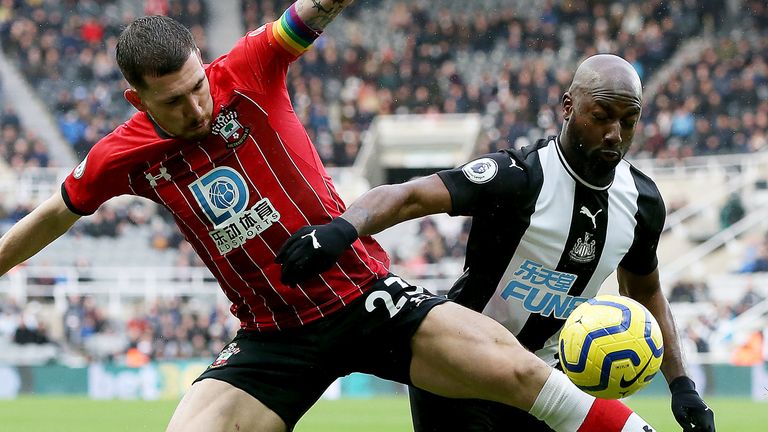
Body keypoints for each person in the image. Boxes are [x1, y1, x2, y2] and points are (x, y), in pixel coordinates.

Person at [0, 2, 654, 431]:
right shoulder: (123, 155)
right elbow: (57, 214)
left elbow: (316, 7)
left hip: (366, 297)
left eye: (199, 85)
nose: (198, 107)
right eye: (174, 101)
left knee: (519, 374)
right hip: (272, 334)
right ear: (135, 97)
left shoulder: (251, 66)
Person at [277, 54, 716, 432]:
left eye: (629, 120)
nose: (615, 134)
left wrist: (682, 386)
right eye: (602, 115)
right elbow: (410, 195)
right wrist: (342, 229)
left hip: (545, 377)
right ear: (568, 106)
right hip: (460, 366)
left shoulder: (642, 201)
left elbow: (645, 291)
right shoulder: (519, 177)